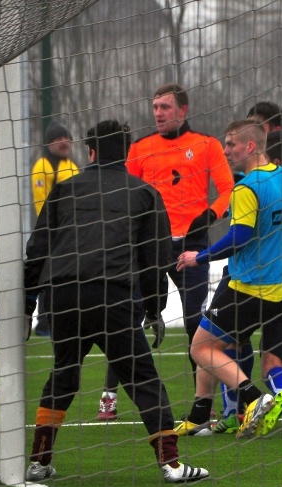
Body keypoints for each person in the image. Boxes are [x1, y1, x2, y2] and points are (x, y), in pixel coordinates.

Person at [23, 119, 208, 483]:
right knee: (143, 380)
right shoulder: (144, 193)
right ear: (126, 153)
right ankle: (171, 464)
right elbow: (154, 259)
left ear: (91, 152)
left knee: (63, 376)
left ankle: (39, 462)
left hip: (63, 297)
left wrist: (27, 305)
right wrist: (154, 309)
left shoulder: (64, 190)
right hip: (113, 296)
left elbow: (37, 250)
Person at [96, 83, 234, 421]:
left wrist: (210, 215)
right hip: (149, 248)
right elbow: (124, 192)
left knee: (195, 325)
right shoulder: (141, 148)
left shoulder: (206, 145)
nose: (158, 113)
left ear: (183, 110)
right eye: (155, 107)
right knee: (126, 318)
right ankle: (108, 396)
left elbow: (228, 189)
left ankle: (203, 407)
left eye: (165, 107)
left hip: (192, 248)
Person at [175, 119, 282, 439]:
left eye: (231, 144)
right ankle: (199, 415)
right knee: (216, 340)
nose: (226, 150)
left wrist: (199, 256)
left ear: (250, 146)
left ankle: (254, 398)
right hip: (279, 287)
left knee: (200, 347)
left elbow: (239, 237)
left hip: (248, 286)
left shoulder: (246, 188)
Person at [30, 121, 79, 337]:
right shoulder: (42, 166)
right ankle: (44, 323)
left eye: (66, 138)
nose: (64, 142)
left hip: (71, 232)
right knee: (48, 276)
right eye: (59, 139)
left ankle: (64, 320)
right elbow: (41, 203)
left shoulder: (72, 166)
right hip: (52, 233)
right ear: (49, 143)